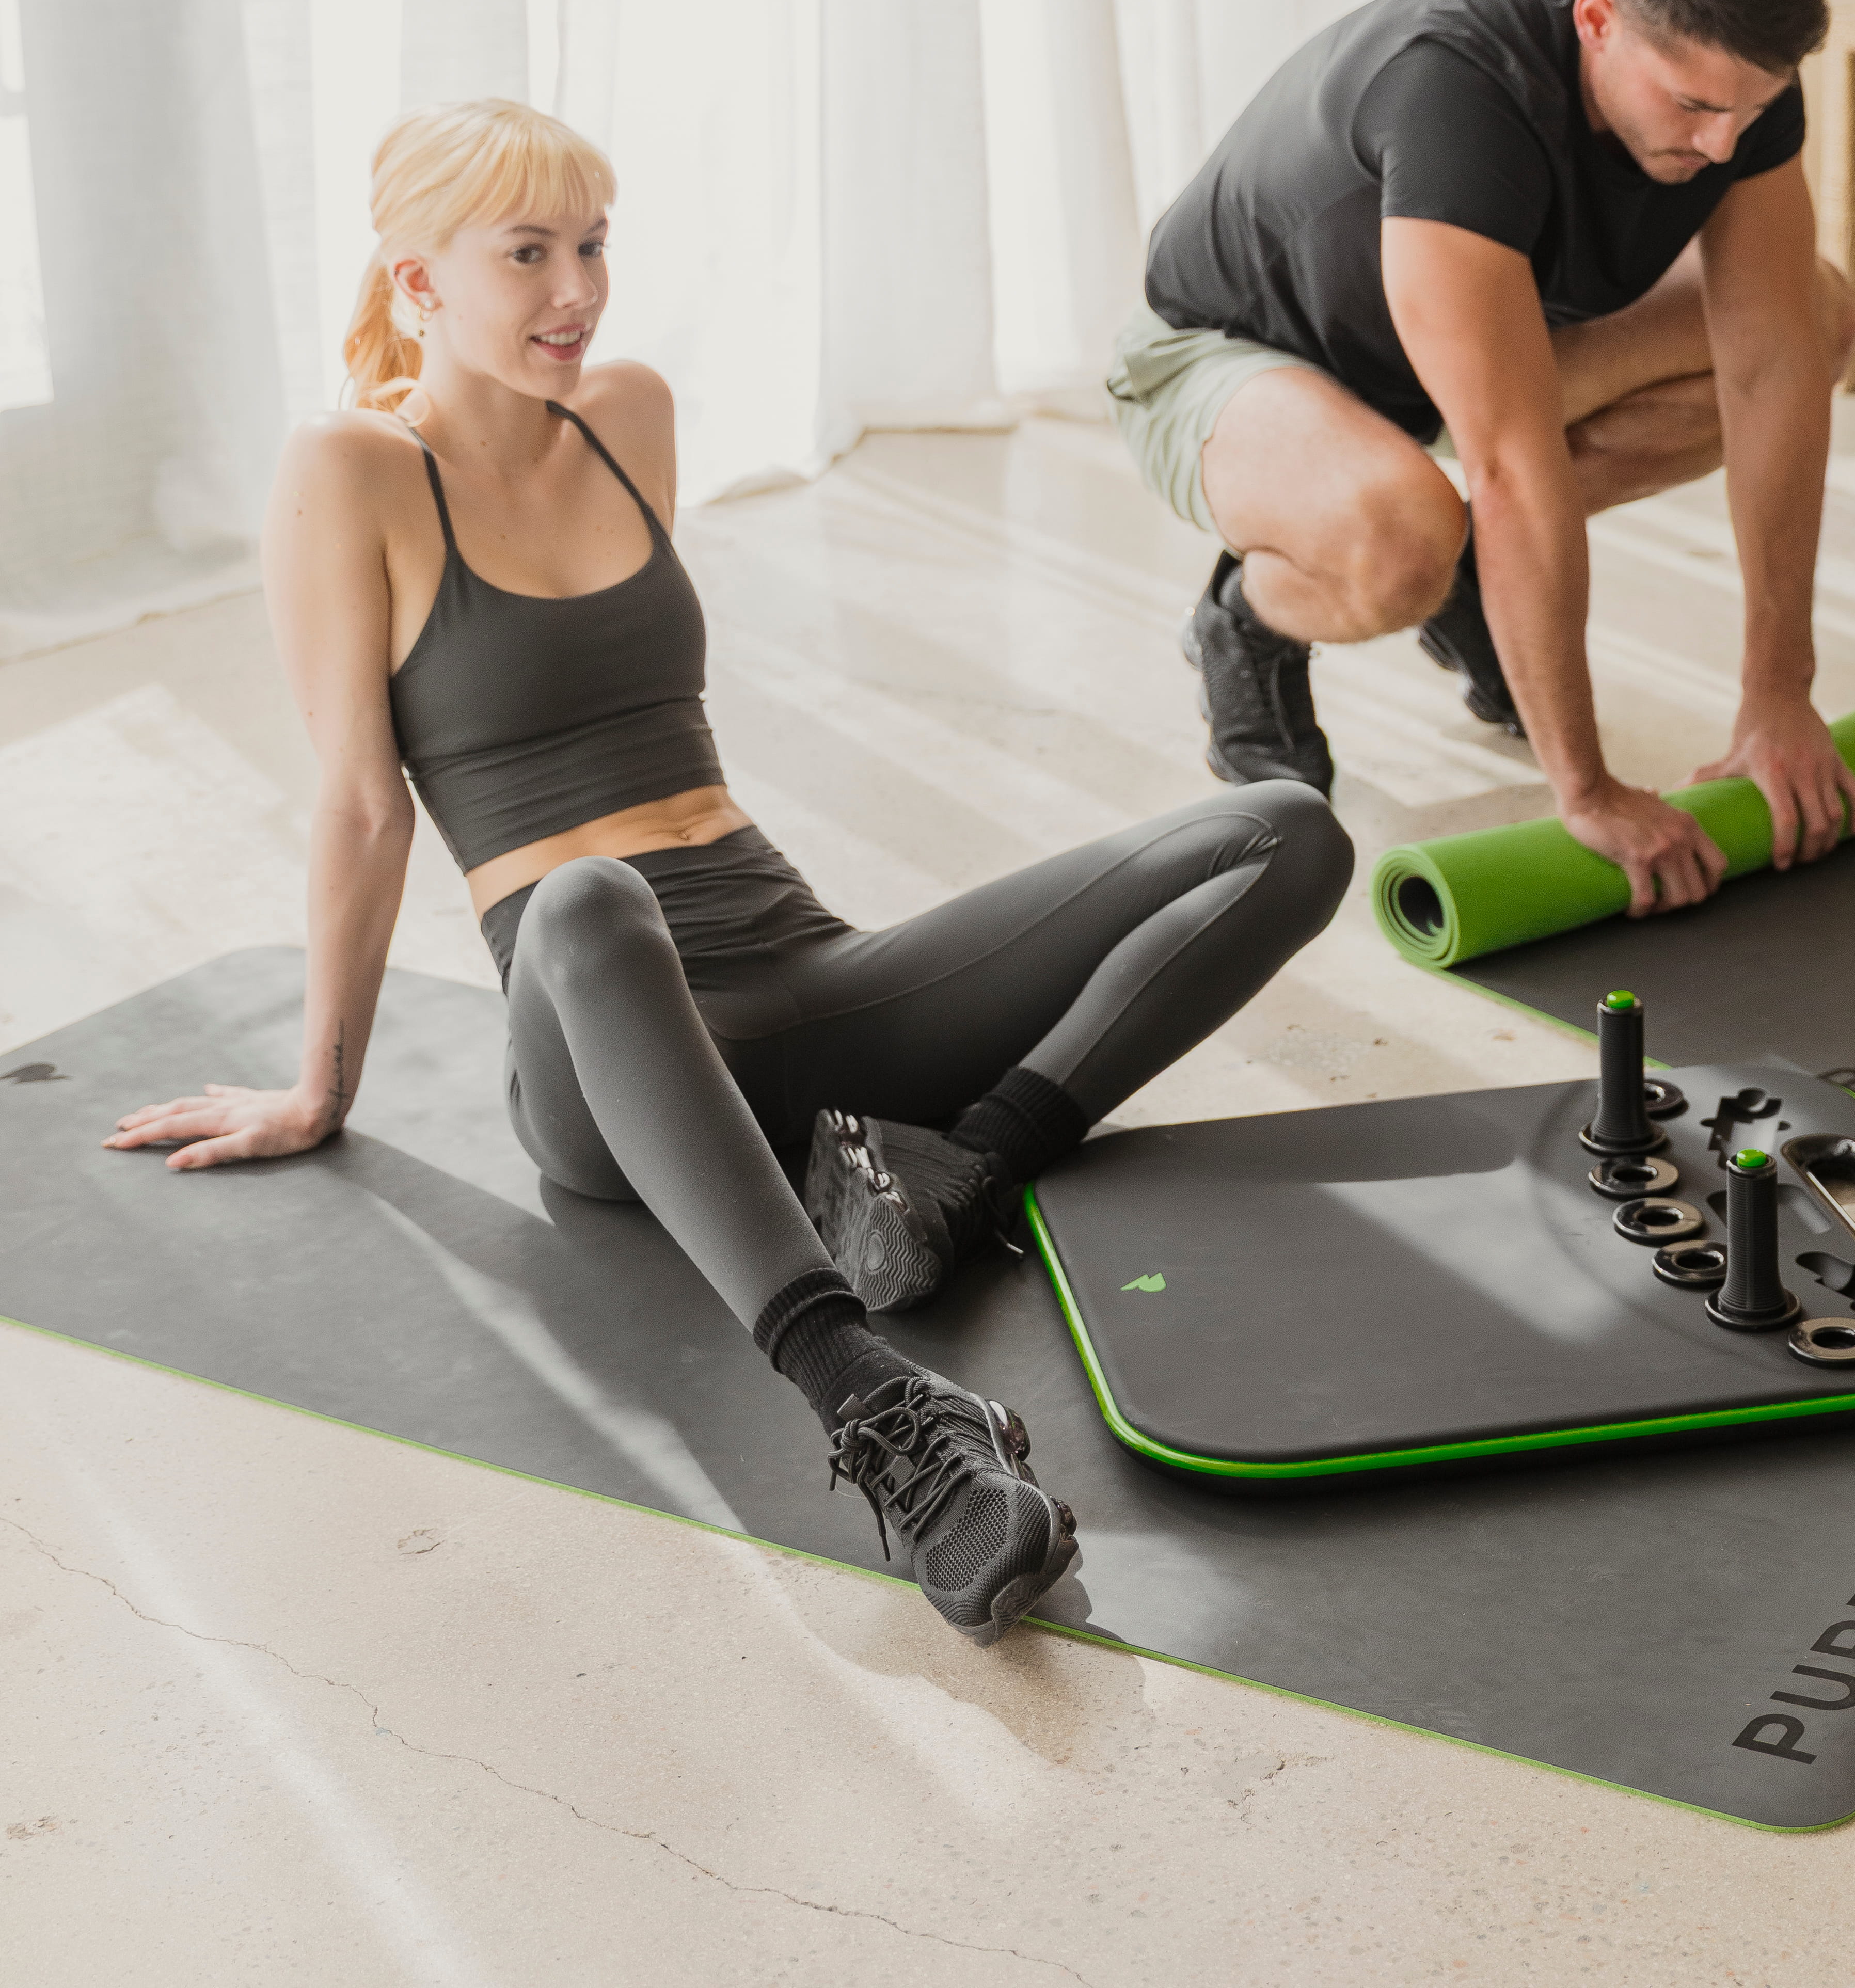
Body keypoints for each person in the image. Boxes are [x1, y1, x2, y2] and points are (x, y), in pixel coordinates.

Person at [106, 100, 1350, 1645]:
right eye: (529, 255)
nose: (578, 290)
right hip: (600, 1047)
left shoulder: (628, 410)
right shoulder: (353, 470)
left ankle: (961, 1175)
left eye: (593, 245)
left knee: (1281, 831)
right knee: (585, 896)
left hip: (812, 981)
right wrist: (317, 1091)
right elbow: (364, 810)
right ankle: (878, 1406)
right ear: (418, 284)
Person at [1108, 0, 1855, 915]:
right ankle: (1247, 620)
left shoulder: (1729, 98)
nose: (1722, 143)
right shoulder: (1457, 94)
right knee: (1401, 536)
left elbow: (1774, 366)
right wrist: (1587, 789)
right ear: (1597, 18)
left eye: (1752, 108)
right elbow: (1511, 467)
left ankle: (1474, 572)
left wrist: (1777, 692)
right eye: (1693, 104)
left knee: (1817, 316)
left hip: (1453, 357)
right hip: (1227, 357)